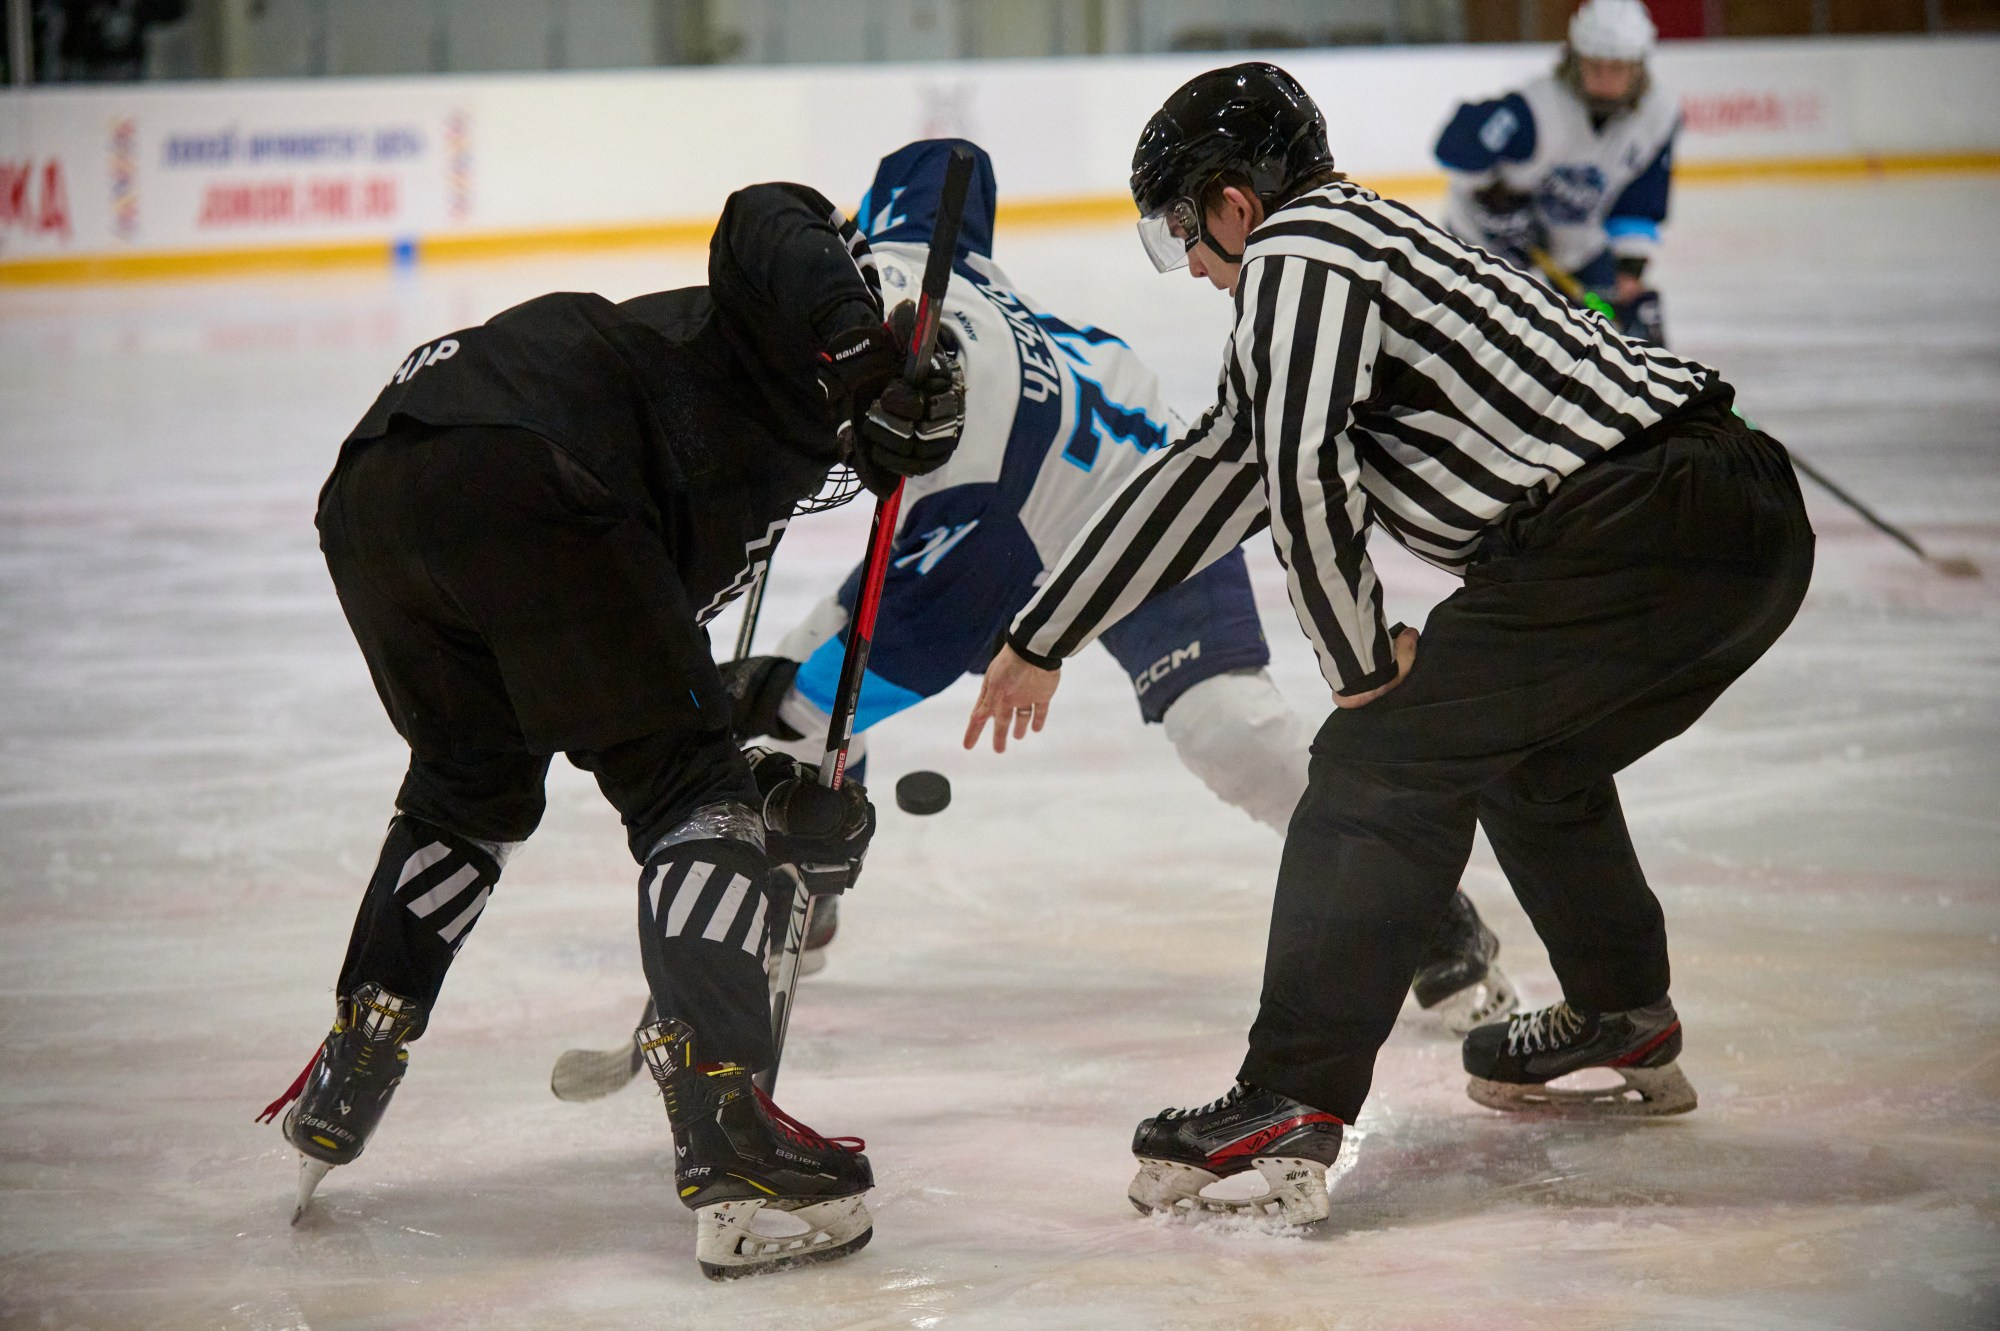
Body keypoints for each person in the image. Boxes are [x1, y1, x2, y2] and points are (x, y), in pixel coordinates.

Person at [966, 63, 1814, 1226]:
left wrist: (1360, 667)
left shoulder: (1300, 253)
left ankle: (1287, 1098)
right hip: (1738, 524)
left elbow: (1300, 471)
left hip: (1636, 520)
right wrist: (1044, 632)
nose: (1196, 267)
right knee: (1529, 760)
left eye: (1183, 234)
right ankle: (1621, 1011)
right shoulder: (1356, 250)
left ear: (1233, 203)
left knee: (1376, 765)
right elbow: (1210, 475)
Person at [257, 180, 966, 1279]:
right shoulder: (779, 319)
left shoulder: (755, 446)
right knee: (693, 795)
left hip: (377, 487)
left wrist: (766, 795)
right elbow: (767, 214)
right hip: (528, 458)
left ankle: (358, 1051)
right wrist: (868, 362)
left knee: (472, 783)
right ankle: (730, 1144)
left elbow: (608, 676)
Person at [723, 138, 1515, 1032]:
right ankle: (809, 889)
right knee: (810, 660)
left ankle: (1429, 907)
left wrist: (766, 699)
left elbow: (902, 658)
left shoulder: (971, 495)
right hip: (1039, 466)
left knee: (1228, 732)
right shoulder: (900, 263)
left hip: (1140, 499)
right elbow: (947, 165)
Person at [1435, 0, 1676, 344]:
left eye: (1618, 68)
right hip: (1482, 245)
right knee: (1484, 342)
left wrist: (1628, 273)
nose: (1606, 79)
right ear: (1575, 60)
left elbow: (1638, 198)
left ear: (1639, 66)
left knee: (1613, 335)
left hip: (1572, 242)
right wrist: (1494, 201)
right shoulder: (1539, 106)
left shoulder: (1657, 115)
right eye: (1595, 66)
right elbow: (1456, 145)